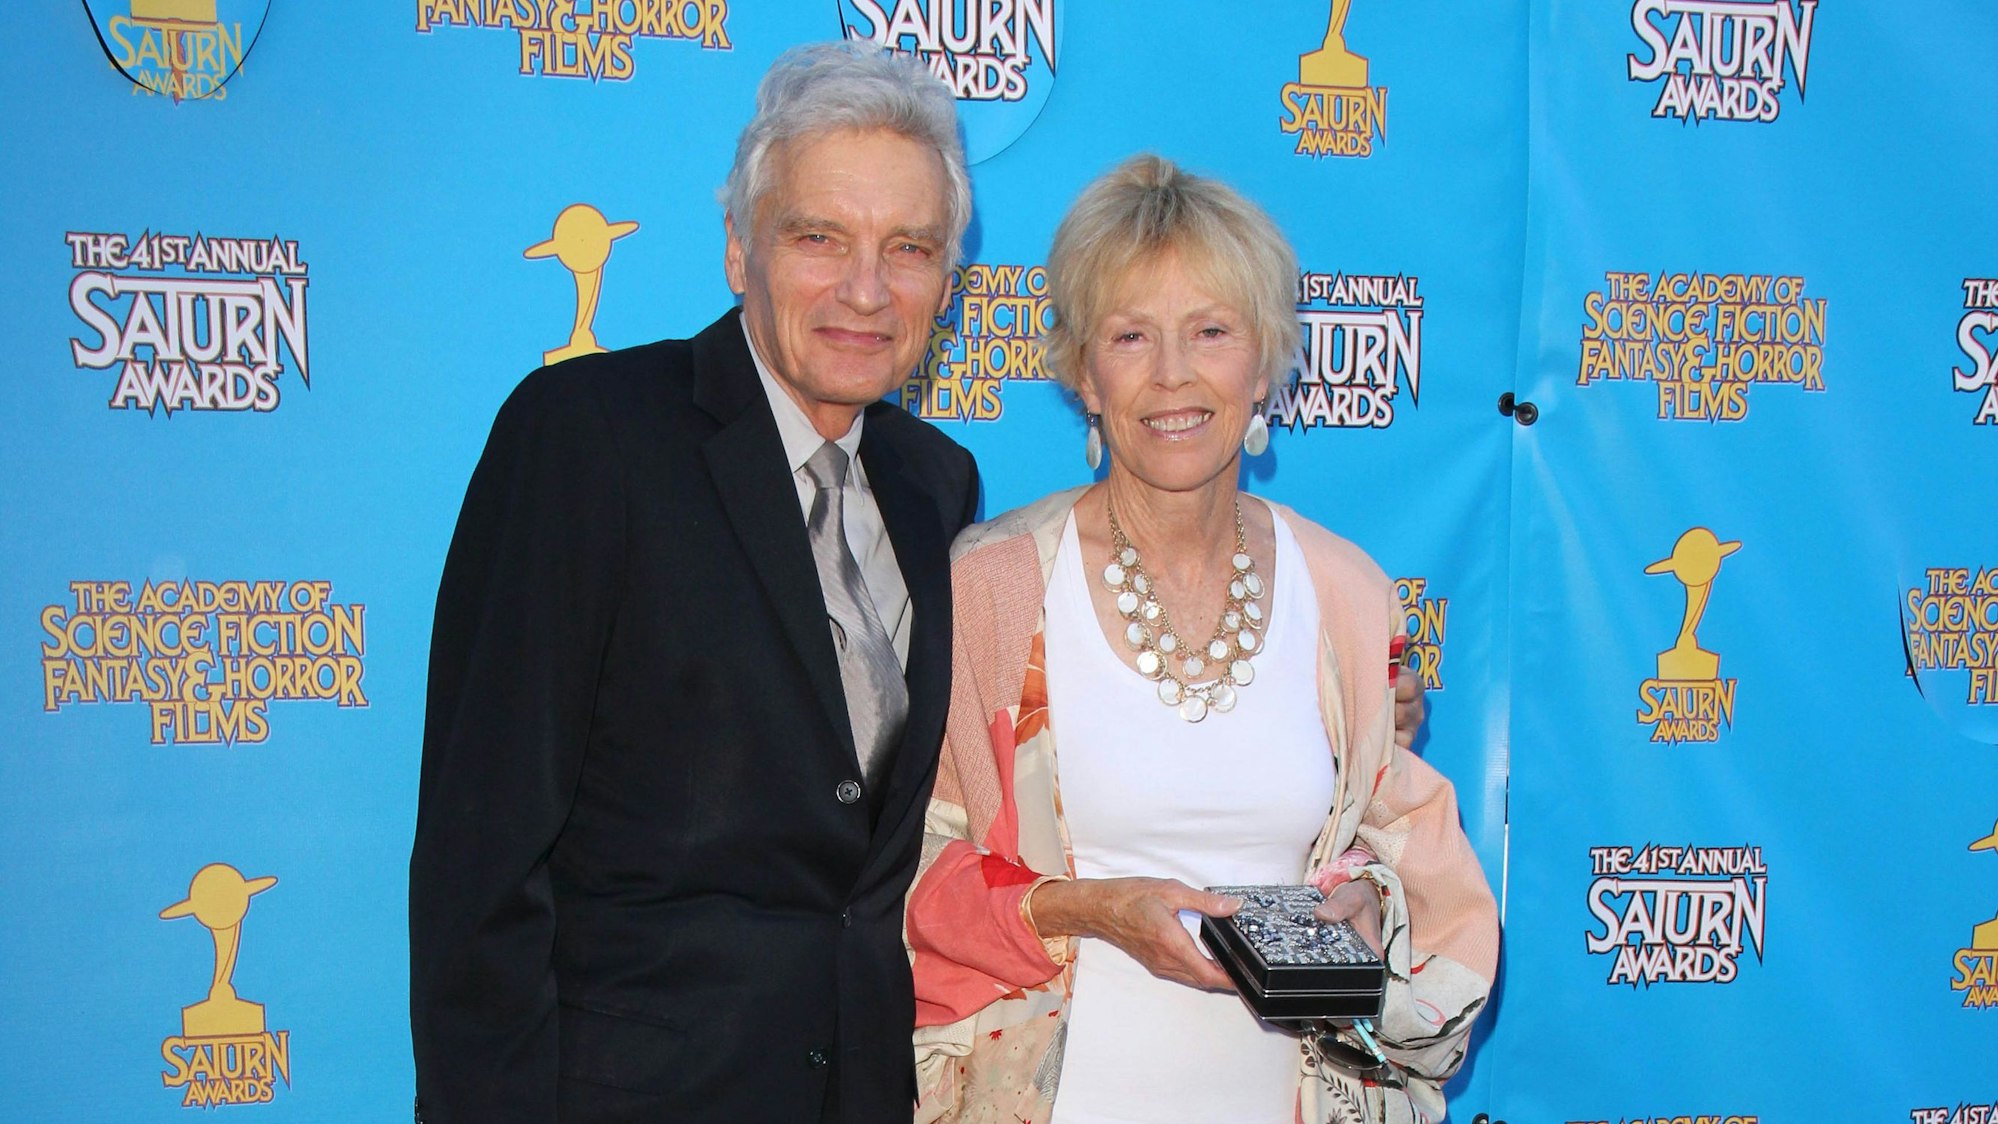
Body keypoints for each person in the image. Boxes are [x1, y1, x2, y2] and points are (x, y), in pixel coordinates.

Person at [408, 42, 982, 1123]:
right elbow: (480, 859)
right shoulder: (588, 439)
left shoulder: (935, 484)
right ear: (738, 249)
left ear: (947, 276)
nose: (867, 287)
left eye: (909, 246)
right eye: (820, 236)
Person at [903, 156, 1497, 1124]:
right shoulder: (994, 584)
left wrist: (1367, 910)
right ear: (1083, 374)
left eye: (1211, 332)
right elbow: (916, 883)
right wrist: (1093, 910)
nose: (1172, 375)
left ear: (1262, 364)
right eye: (1131, 335)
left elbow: (1416, 867)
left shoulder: (1346, 592)